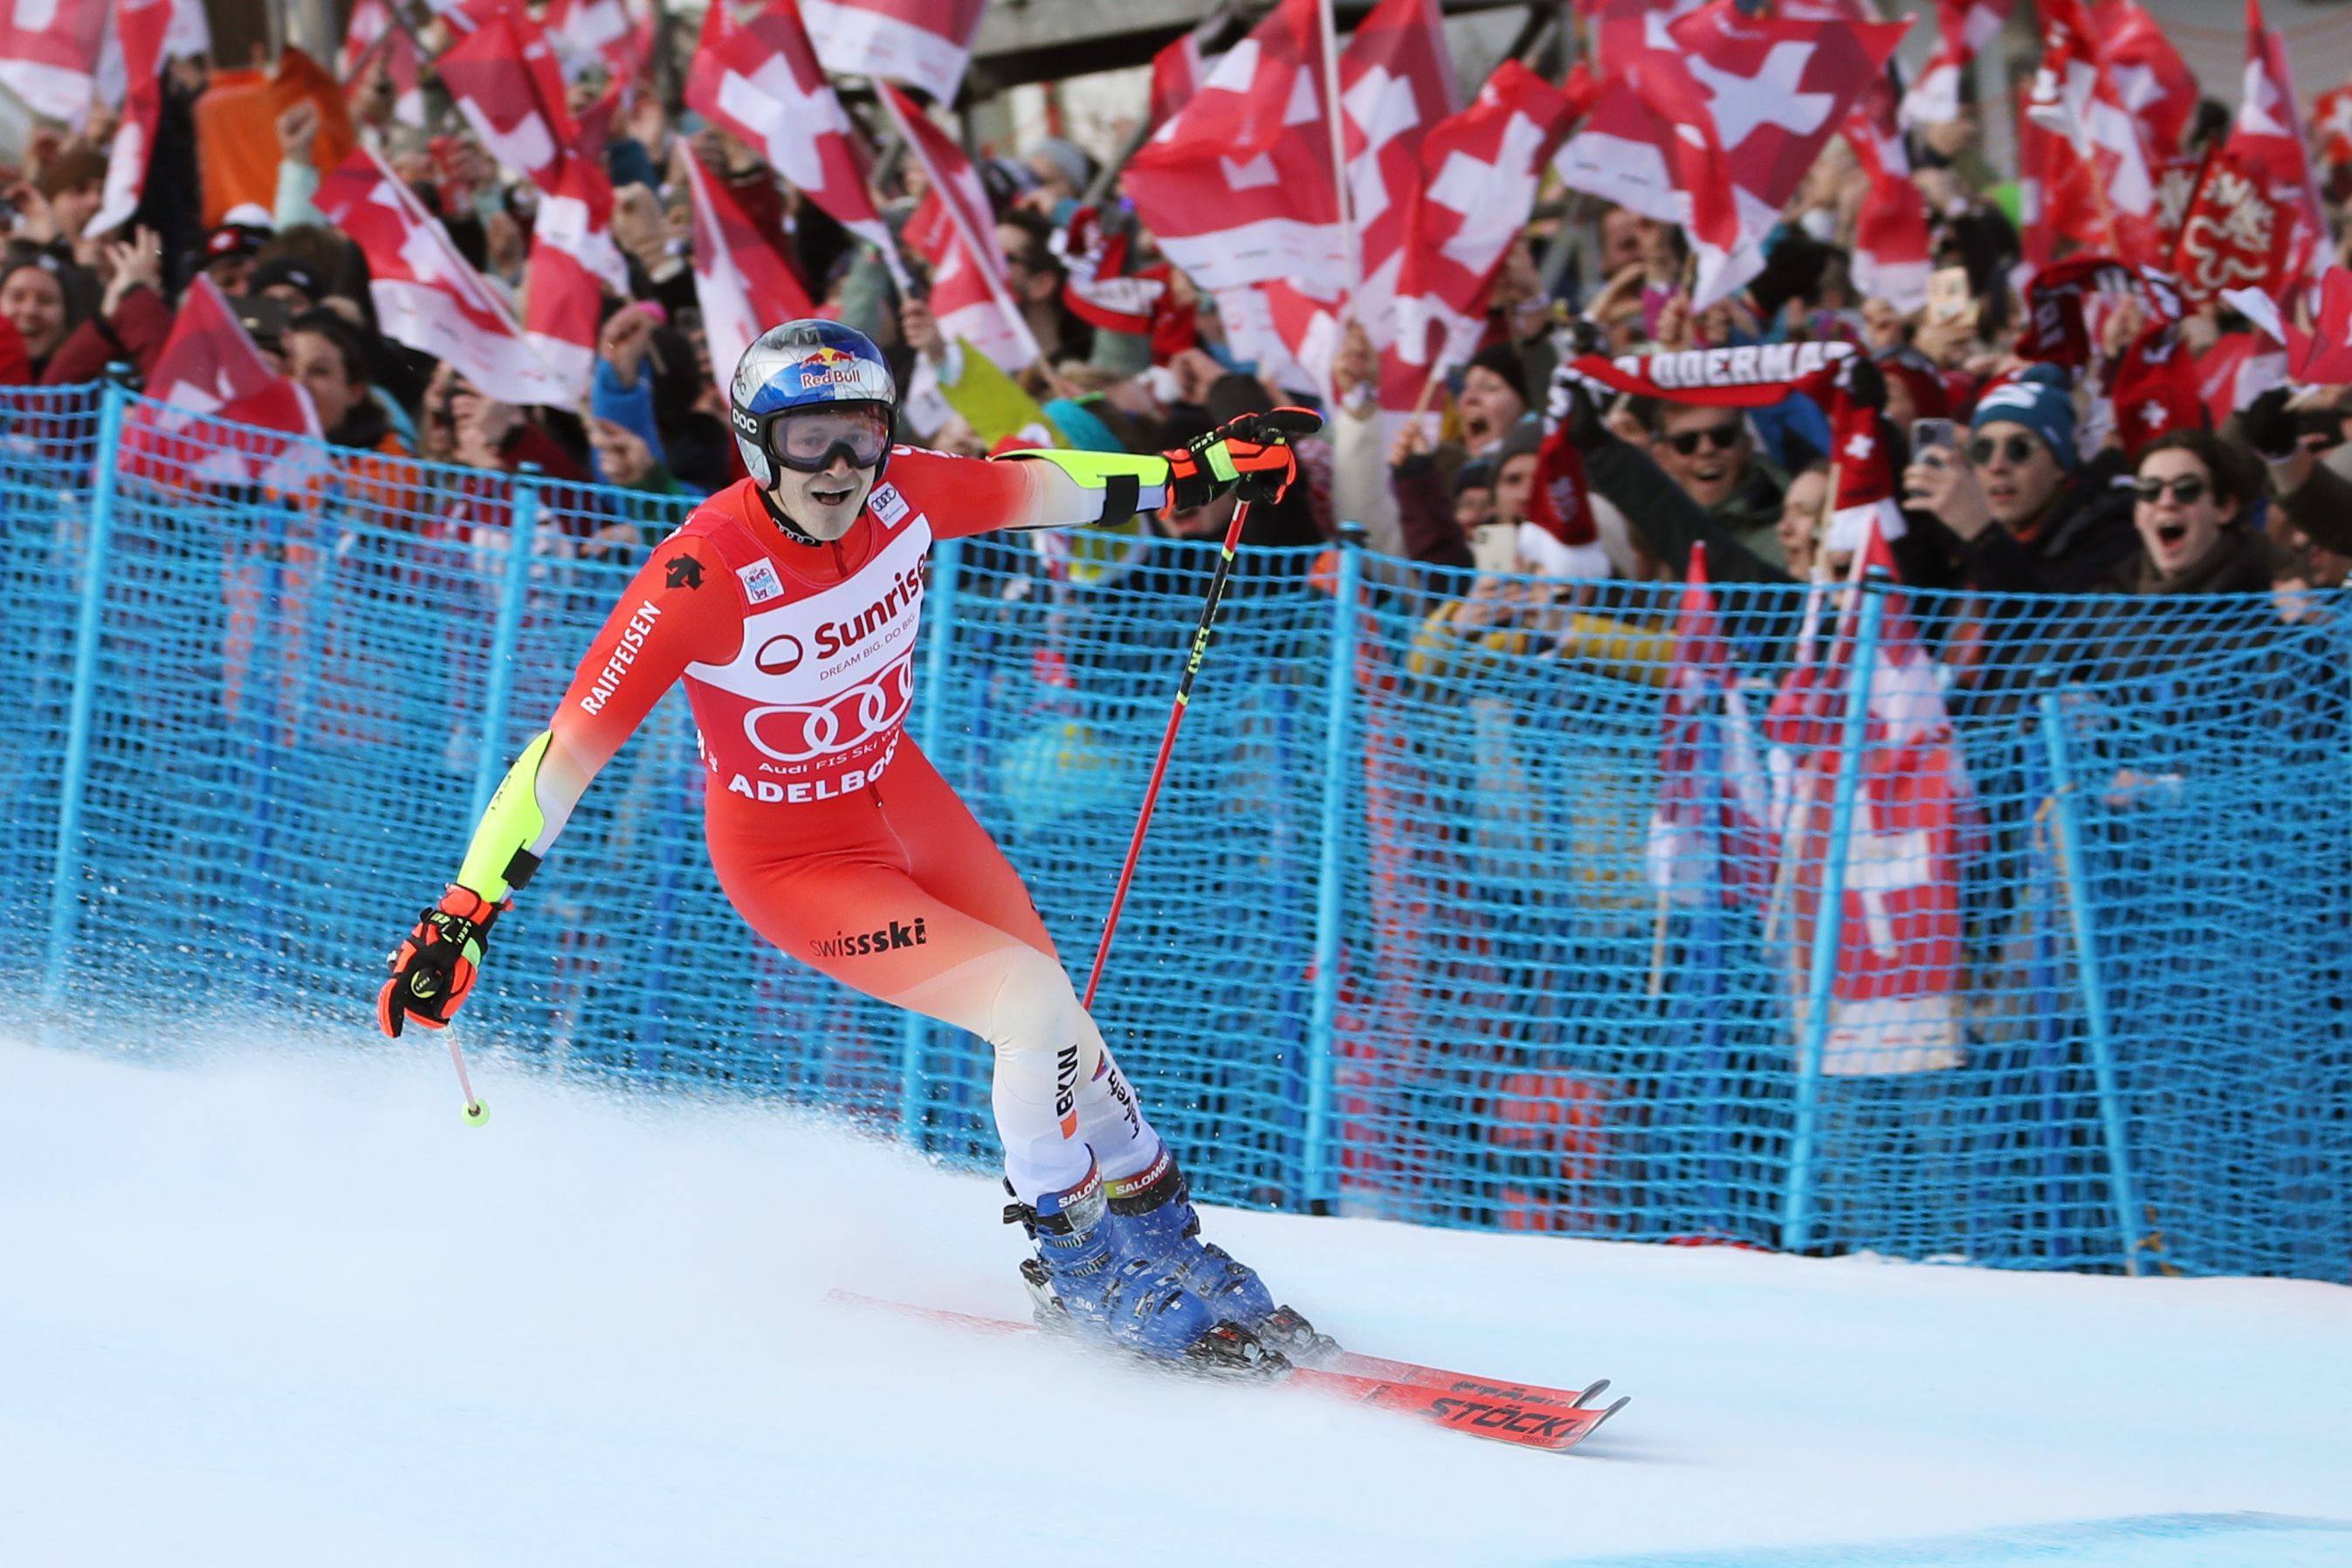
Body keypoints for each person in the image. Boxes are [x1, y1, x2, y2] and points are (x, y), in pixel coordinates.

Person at [376, 320, 1324, 1371]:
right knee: (1031, 1005)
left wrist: (1194, 468)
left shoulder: (903, 494)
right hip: (792, 858)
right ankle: (1083, 1266)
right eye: (809, 439)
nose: (838, 469)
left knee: (1051, 1009)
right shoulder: (703, 573)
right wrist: (466, 910)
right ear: (754, 442)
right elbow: (564, 751)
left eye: (860, 437)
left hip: (894, 792)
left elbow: (1047, 485)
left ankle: (1158, 1234)